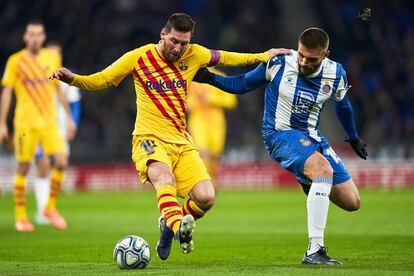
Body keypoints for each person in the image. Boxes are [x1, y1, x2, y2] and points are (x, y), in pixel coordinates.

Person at [50, 13, 290, 260]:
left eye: (183, 43)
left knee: (206, 198)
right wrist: (73, 80)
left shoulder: (194, 55)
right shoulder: (139, 57)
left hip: (182, 141)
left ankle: (168, 225)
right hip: (149, 138)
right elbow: (101, 79)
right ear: (163, 34)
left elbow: (227, 57)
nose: (178, 48)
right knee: (164, 178)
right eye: (174, 41)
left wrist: (263, 56)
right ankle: (178, 230)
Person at [193, 27, 368, 265]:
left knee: (352, 202)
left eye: (312, 59)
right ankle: (314, 251)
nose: (304, 62)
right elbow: (243, 84)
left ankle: (308, 176)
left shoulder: (336, 73)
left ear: (326, 54)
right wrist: (211, 78)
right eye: (302, 55)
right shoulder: (279, 63)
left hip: (312, 136)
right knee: (323, 170)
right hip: (278, 134)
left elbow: (343, 104)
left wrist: (353, 136)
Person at [0, 20, 76, 232]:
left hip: (49, 122)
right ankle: (21, 217)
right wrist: (2, 124)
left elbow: (59, 90)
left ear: (43, 38)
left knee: (61, 162)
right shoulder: (15, 61)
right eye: (31, 34)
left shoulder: (52, 58)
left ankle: (50, 208)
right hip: (25, 124)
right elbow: (6, 92)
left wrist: (69, 118)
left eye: (39, 34)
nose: (35, 38)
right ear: (26, 37)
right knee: (23, 167)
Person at [33, 41, 81, 225]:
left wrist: (72, 124)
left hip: (60, 130)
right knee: (43, 165)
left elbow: (75, 105)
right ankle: (42, 211)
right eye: (52, 53)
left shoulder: (67, 80)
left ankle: (50, 207)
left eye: (58, 53)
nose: (56, 56)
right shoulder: (39, 78)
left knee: (60, 164)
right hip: (41, 128)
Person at [187, 67, 237, 181]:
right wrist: (191, 103)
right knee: (202, 151)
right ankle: (202, 181)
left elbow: (231, 100)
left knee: (214, 156)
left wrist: (211, 98)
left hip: (216, 123)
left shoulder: (220, 77)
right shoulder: (190, 77)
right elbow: (185, 98)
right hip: (198, 120)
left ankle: (212, 181)